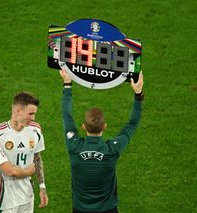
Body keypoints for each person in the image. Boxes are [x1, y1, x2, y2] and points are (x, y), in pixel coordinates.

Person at [59, 69, 144, 213]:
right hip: (108, 209)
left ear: (83, 126)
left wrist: (67, 84)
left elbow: (67, 116)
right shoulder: (112, 150)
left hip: (79, 210)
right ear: (105, 126)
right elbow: (132, 123)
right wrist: (138, 95)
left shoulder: (74, 146)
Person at [0, 92, 48, 213]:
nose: (33, 118)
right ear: (18, 111)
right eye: (30, 114)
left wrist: (42, 187)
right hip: (4, 200)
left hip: (27, 197)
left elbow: (37, 158)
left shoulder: (35, 129)